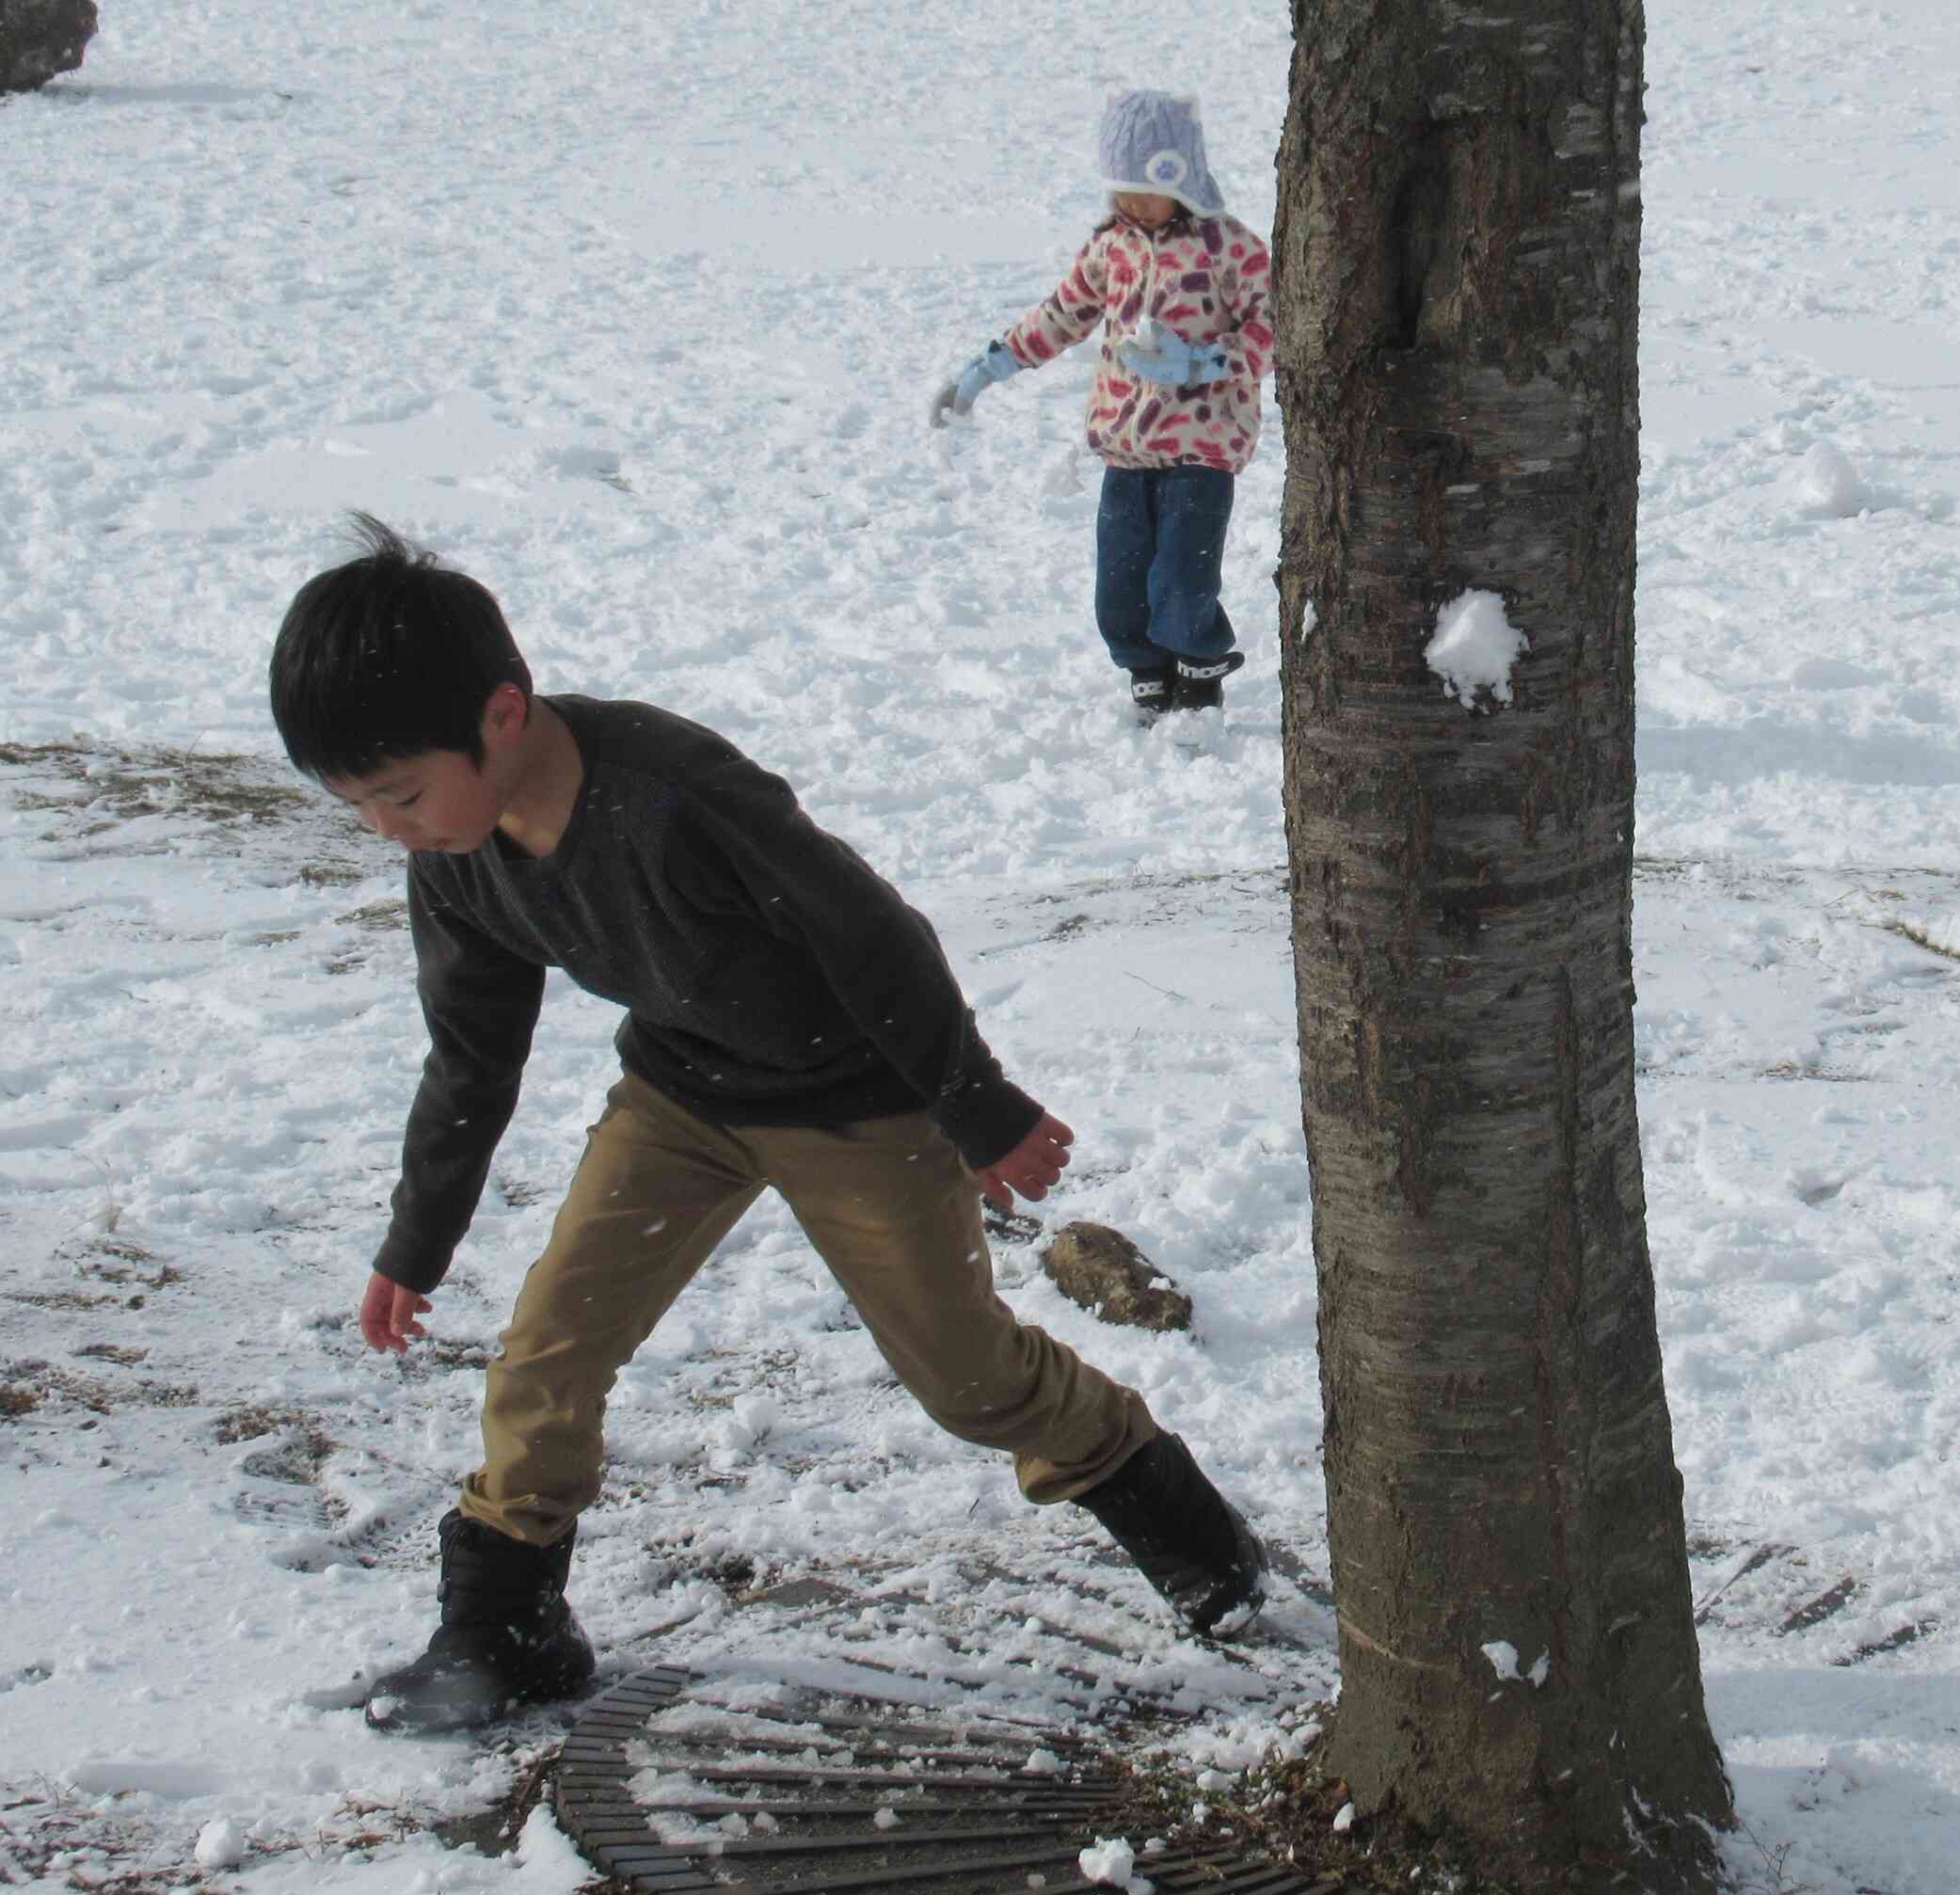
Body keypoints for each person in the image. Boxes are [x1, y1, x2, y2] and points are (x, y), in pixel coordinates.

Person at [268, 517, 1267, 1731]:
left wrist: (978, 1107)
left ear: (502, 715)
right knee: (548, 1346)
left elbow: (867, 932)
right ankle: (502, 1628)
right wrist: (414, 1242)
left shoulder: (670, 794)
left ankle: (1184, 1521)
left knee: (967, 1379)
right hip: (684, 1094)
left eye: (401, 794)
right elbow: (471, 1058)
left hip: (859, 1099)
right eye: (361, 806)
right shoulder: (460, 862)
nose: (390, 830)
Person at [929, 90, 1275, 724]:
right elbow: (1063, 315)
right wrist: (990, 366)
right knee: (1119, 582)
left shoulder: (1226, 246)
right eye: (1121, 189)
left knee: (1182, 576)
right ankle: (1146, 672)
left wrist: (1212, 362)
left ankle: (1199, 679)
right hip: (1124, 444)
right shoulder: (1110, 247)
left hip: (1204, 442)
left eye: (1146, 188)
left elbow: (1274, 313)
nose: (1132, 203)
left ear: (1183, 177)